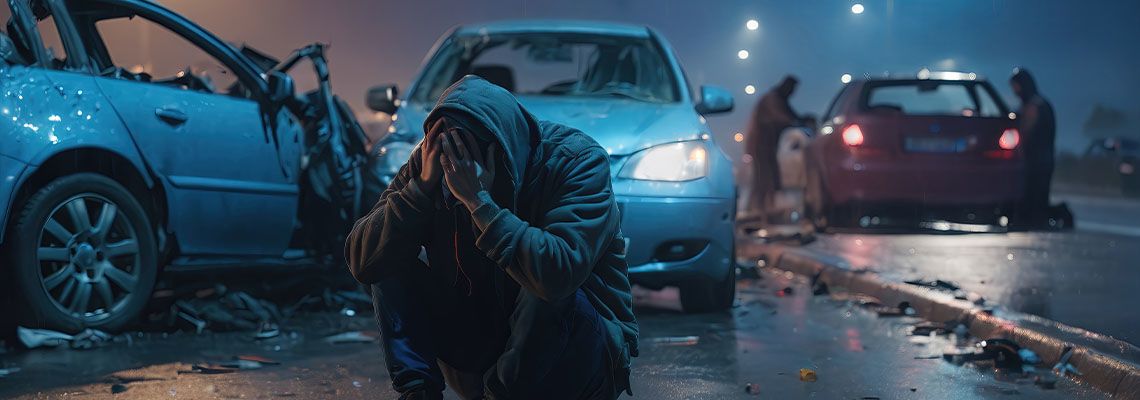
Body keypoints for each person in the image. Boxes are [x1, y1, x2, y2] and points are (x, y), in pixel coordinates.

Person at [345, 75, 639, 400]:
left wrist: (479, 203)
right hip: (487, 347)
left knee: (543, 283)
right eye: (446, 157)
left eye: (463, 159)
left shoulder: (576, 161)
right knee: (386, 253)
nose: (452, 173)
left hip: (580, 357)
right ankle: (418, 393)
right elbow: (363, 262)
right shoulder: (430, 161)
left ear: (502, 153)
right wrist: (419, 191)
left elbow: (558, 274)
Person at [742, 75, 801, 222]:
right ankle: (759, 212)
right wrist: (796, 122)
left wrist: (799, 120)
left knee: (767, 179)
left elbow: (791, 116)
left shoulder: (778, 100)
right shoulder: (772, 100)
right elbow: (779, 118)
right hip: (761, 145)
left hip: (767, 146)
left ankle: (761, 212)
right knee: (764, 179)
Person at [1010, 68, 1056, 227]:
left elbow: (1025, 131)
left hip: (1035, 161)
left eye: (1016, 87)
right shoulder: (1039, 104)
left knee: (1032, 197)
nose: (1015, 92)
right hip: (1043, 159)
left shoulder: (1034, 106)